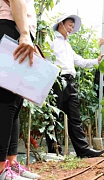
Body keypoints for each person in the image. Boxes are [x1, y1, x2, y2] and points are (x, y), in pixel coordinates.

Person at [46, 14, 104, 158]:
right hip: (56, 80)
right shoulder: (51, 39)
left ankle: (83, 150)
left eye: (73, 26)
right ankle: (53, 151)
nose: (72, 29)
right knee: (53, 116)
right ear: (61, 24)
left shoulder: (68, 45)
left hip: (70, 82)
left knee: (75, 117)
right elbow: (45, 56)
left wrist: (97, 60)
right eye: (70, 25)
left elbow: (80, 61)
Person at [0, 0, 41, 179]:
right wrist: (24, 33)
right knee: (6, 100)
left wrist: (27, 35)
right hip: (10, 26)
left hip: (16, 28)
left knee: (16, 103)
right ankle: (1, 168)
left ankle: (11, 163)